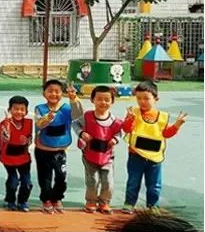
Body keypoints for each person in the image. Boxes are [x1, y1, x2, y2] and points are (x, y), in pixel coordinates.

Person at [121, 80, 187, 213]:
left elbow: (166, 134)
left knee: (154, 185)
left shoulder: (162, 117)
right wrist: (130, 119)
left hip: (155, 158)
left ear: (156, 99)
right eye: (139, 98)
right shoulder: (133, 113)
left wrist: (177, 125)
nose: (142, 101)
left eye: (146, 98)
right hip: (136, 155)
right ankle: (129, 203)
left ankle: (153, 205)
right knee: (133, 182)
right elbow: (127, 129)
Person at [72, 85, 124, 214]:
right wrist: (81, 134)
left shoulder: (115, 121)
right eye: (99, 99)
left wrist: (115, 140)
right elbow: (75, 123)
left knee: (108, 182)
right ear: (92, 100)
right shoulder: (87, 116)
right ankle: (91, 201)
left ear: (112, 102)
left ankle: (104, 202)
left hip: (107, 157)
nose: (103, 102)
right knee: (93, 180)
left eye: (107, 99)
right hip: (89, 155)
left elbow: (119, 132)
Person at [34, 80, 81, 213]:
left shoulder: (67, 108)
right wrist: (47, 118)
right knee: (45, 177)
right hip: (43, 150)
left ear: (62, 93)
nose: (53, 94)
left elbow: (78, 115)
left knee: (61, 176)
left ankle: (57, 197)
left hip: (60, 150)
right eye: (50, 91)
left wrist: (74, 98)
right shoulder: (40, 108)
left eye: (57, 91)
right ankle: (47, 200)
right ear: (44, 93)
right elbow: (39, 124)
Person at [0, 96, 33, 211]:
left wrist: (27, 141)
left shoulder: (28, 123)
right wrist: (7, 125)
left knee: (27, 182)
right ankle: (10, 200)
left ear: (26, 111)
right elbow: (5, 138)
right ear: (10, 110)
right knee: (13, 181)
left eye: (22, 109)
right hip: (9, 157)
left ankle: (22, 201)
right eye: (16, 109)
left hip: (24, 158)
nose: (19, 112)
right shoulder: (4, 124)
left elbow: (30, 138)